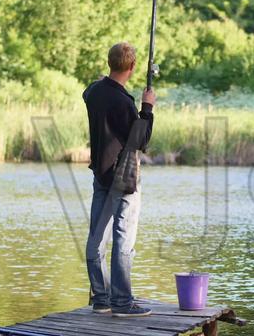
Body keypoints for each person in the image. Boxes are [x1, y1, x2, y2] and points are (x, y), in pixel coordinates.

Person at [82, 42, 156, 317]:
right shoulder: (124, 102)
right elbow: (140, 140)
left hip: (100, 176)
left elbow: (88, 89)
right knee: (123, 239)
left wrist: (104, 81)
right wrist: (147, 108)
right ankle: (123, 303)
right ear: (133, 67)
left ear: (109, 63)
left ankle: (101, 298)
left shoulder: (93, 91)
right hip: (123, 177)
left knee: (96, 237)